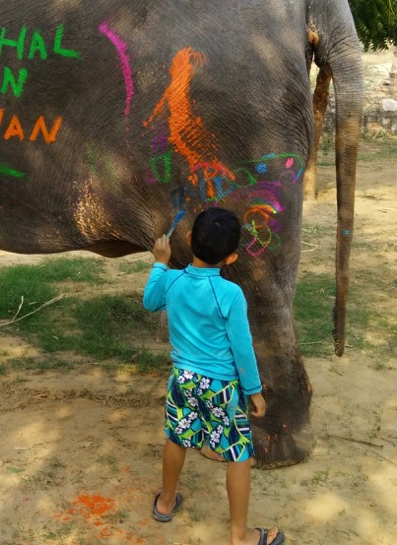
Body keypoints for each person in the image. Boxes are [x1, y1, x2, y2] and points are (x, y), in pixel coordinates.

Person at [143, 207, 285, 545]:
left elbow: (150, 302)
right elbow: (242, 348)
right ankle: (240, 535)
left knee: (177, 437)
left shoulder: (172, 281)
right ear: (232, 257)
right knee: (238, 453)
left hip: (182, 380)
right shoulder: (230, 294)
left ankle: (165, 502)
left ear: (189, 238)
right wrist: (254, 391)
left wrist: (160, 262)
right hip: (221, 387)